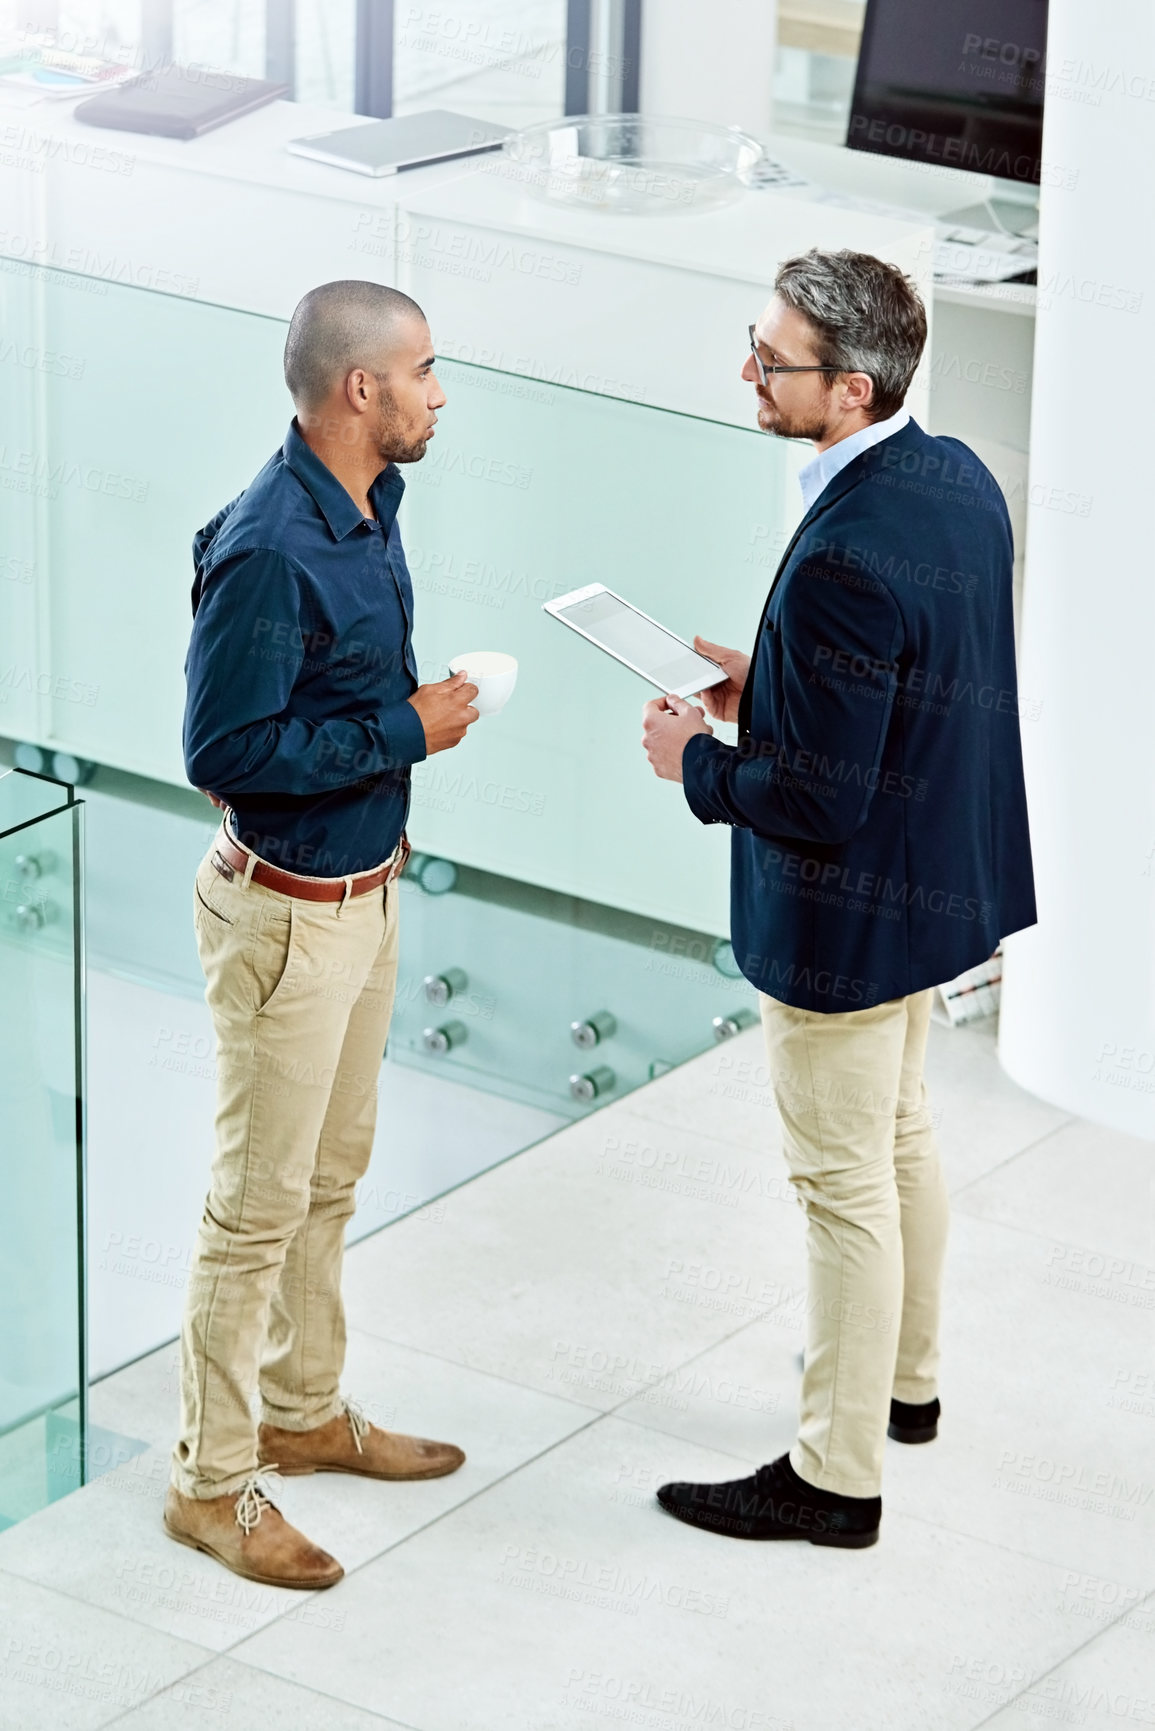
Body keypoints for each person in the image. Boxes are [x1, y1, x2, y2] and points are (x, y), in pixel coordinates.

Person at [641, 248, 1035, 1549]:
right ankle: (902, 1385)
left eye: (772, 359)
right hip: (933, 890)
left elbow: (815, 801)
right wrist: (785, 683)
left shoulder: (844, 553)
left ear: (851, 388)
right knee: (902, 1138)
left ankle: (835, 1475)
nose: (747, 372)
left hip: (847, 917)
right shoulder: (953, 476)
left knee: (841, 1187)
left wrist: (696, 761)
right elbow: (906, 690)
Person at [166, 281, 480, 1588]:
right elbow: (222, 750)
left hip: (366, 894)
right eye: (423, 370)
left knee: (330, 1178)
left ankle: (302, 1410)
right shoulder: (269, 546)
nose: (437, 391)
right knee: (254, 1209)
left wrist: (395, 726)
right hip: (287, 924)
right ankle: (211, 1483)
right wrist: (406, 731)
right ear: (363, 392)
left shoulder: (372, 507)